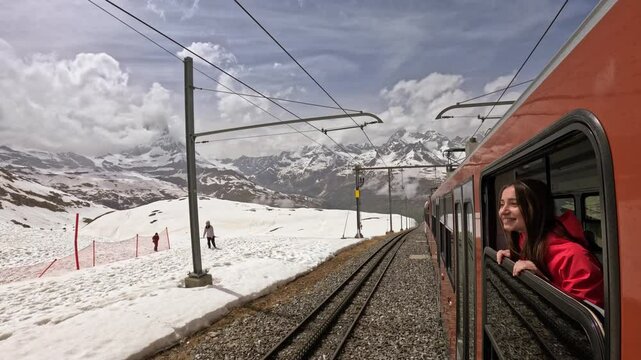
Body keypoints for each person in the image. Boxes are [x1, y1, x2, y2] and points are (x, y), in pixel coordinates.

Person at [495, 179, 604, 308]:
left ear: (537, 207)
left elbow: (588, 318)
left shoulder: (575, 257)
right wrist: (514, 256)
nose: (503, 211)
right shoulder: (524, 240)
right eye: (502, 204)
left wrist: (541, 282)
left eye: (514, 204)